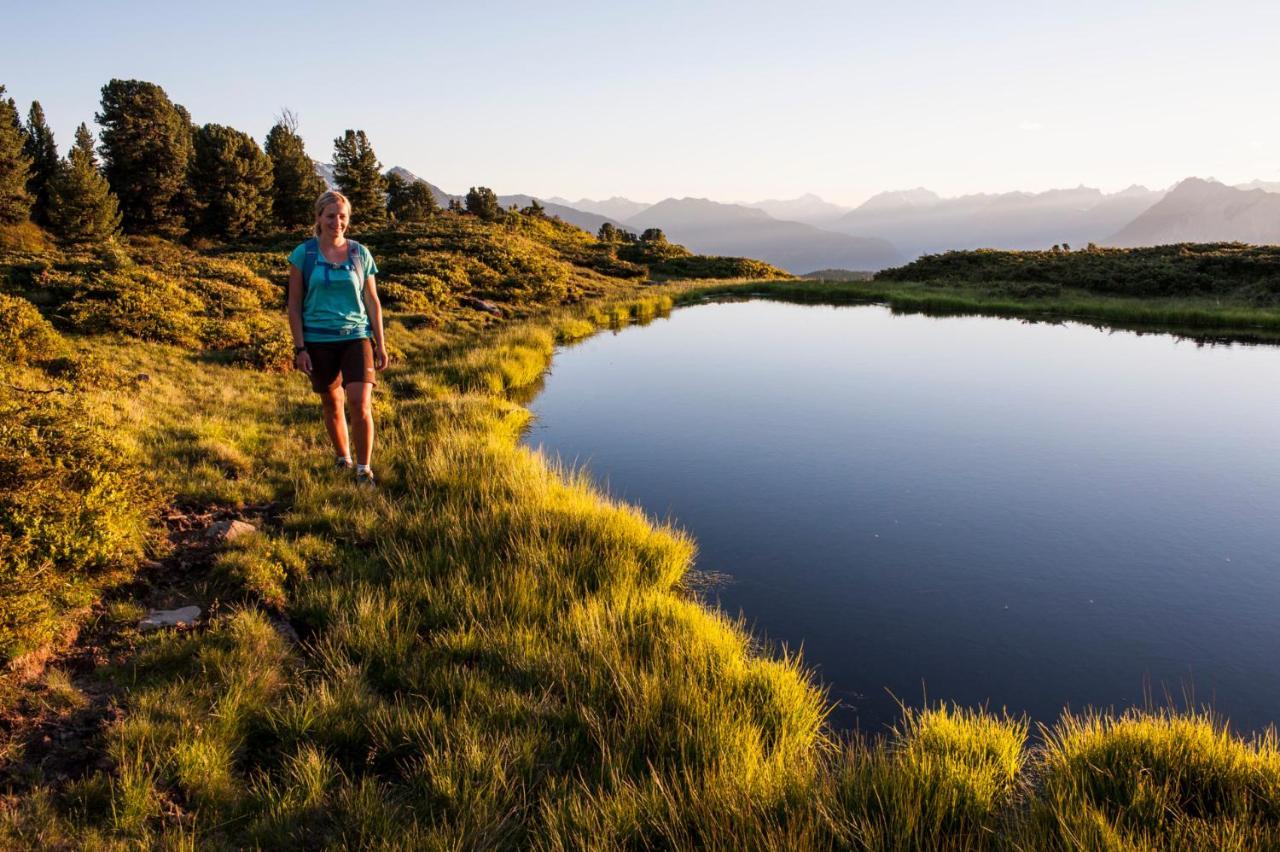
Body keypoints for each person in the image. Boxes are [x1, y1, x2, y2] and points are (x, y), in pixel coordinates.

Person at [287, 190, 389, 487]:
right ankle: (343, 458)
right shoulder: (303, 254)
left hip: (356, 337)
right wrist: (300, 347)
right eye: (331, 216)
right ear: (319, 218)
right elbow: (294, 305)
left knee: (359, 402)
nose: (337, 222)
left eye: (342, 216)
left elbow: (372, 301)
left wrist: (380, 344)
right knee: (332, 403)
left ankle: (363, 468)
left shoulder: (360, 253)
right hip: (318, 340)